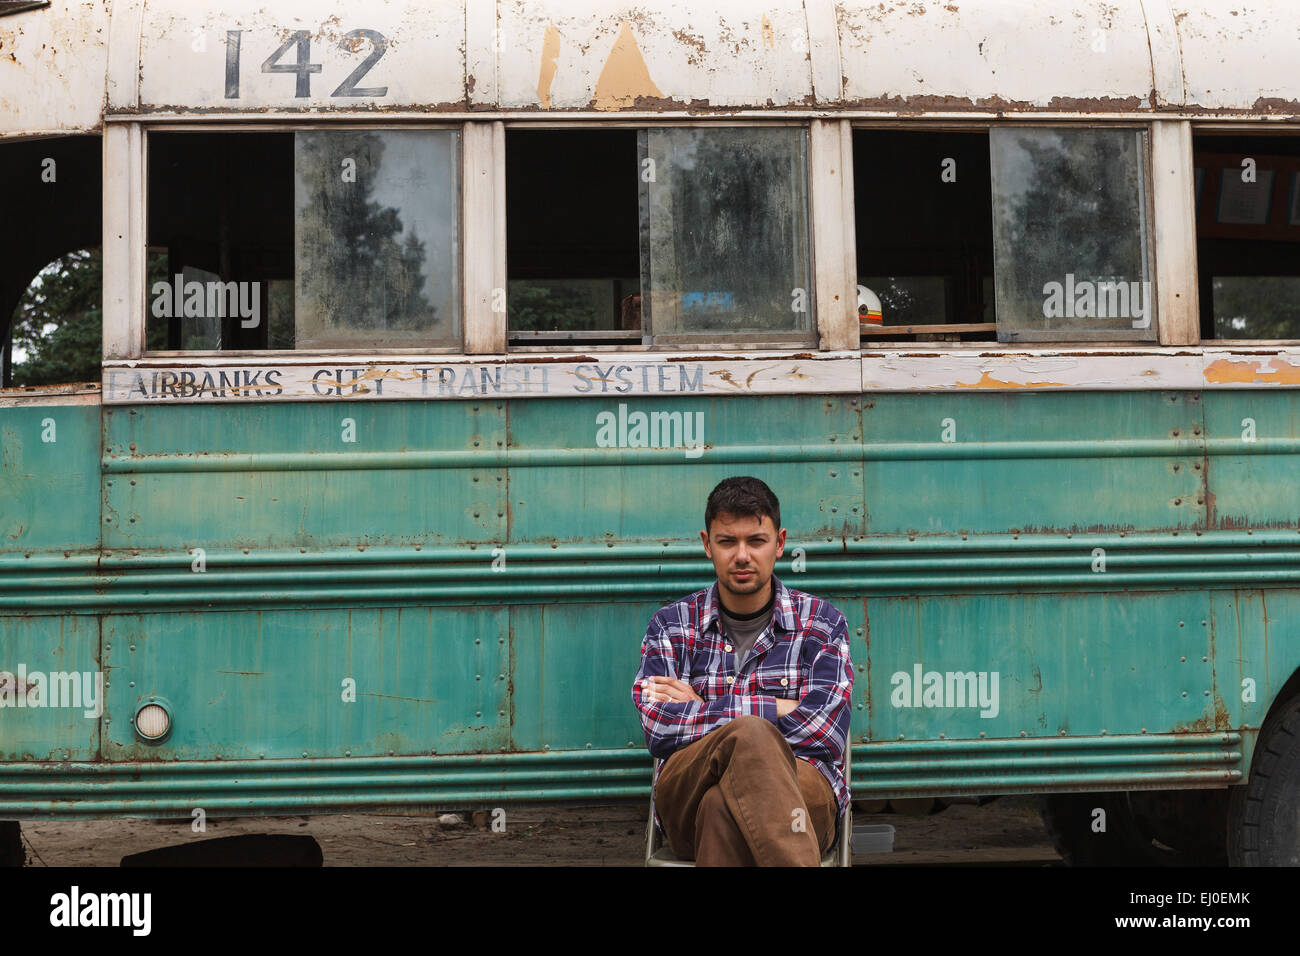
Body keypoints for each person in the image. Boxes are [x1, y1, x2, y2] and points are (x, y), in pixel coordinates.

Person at [631, 475, 853, 865]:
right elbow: (659, 727)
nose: (742, 556)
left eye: (756, 541)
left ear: (780, 544)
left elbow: (826, 731)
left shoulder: (822, 623)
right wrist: (775, 710)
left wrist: (706, 708)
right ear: (707, 545)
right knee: (749, 736)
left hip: (803, 800)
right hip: (687, 798)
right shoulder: (671, 625)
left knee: (722, 806)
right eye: (727, 541)